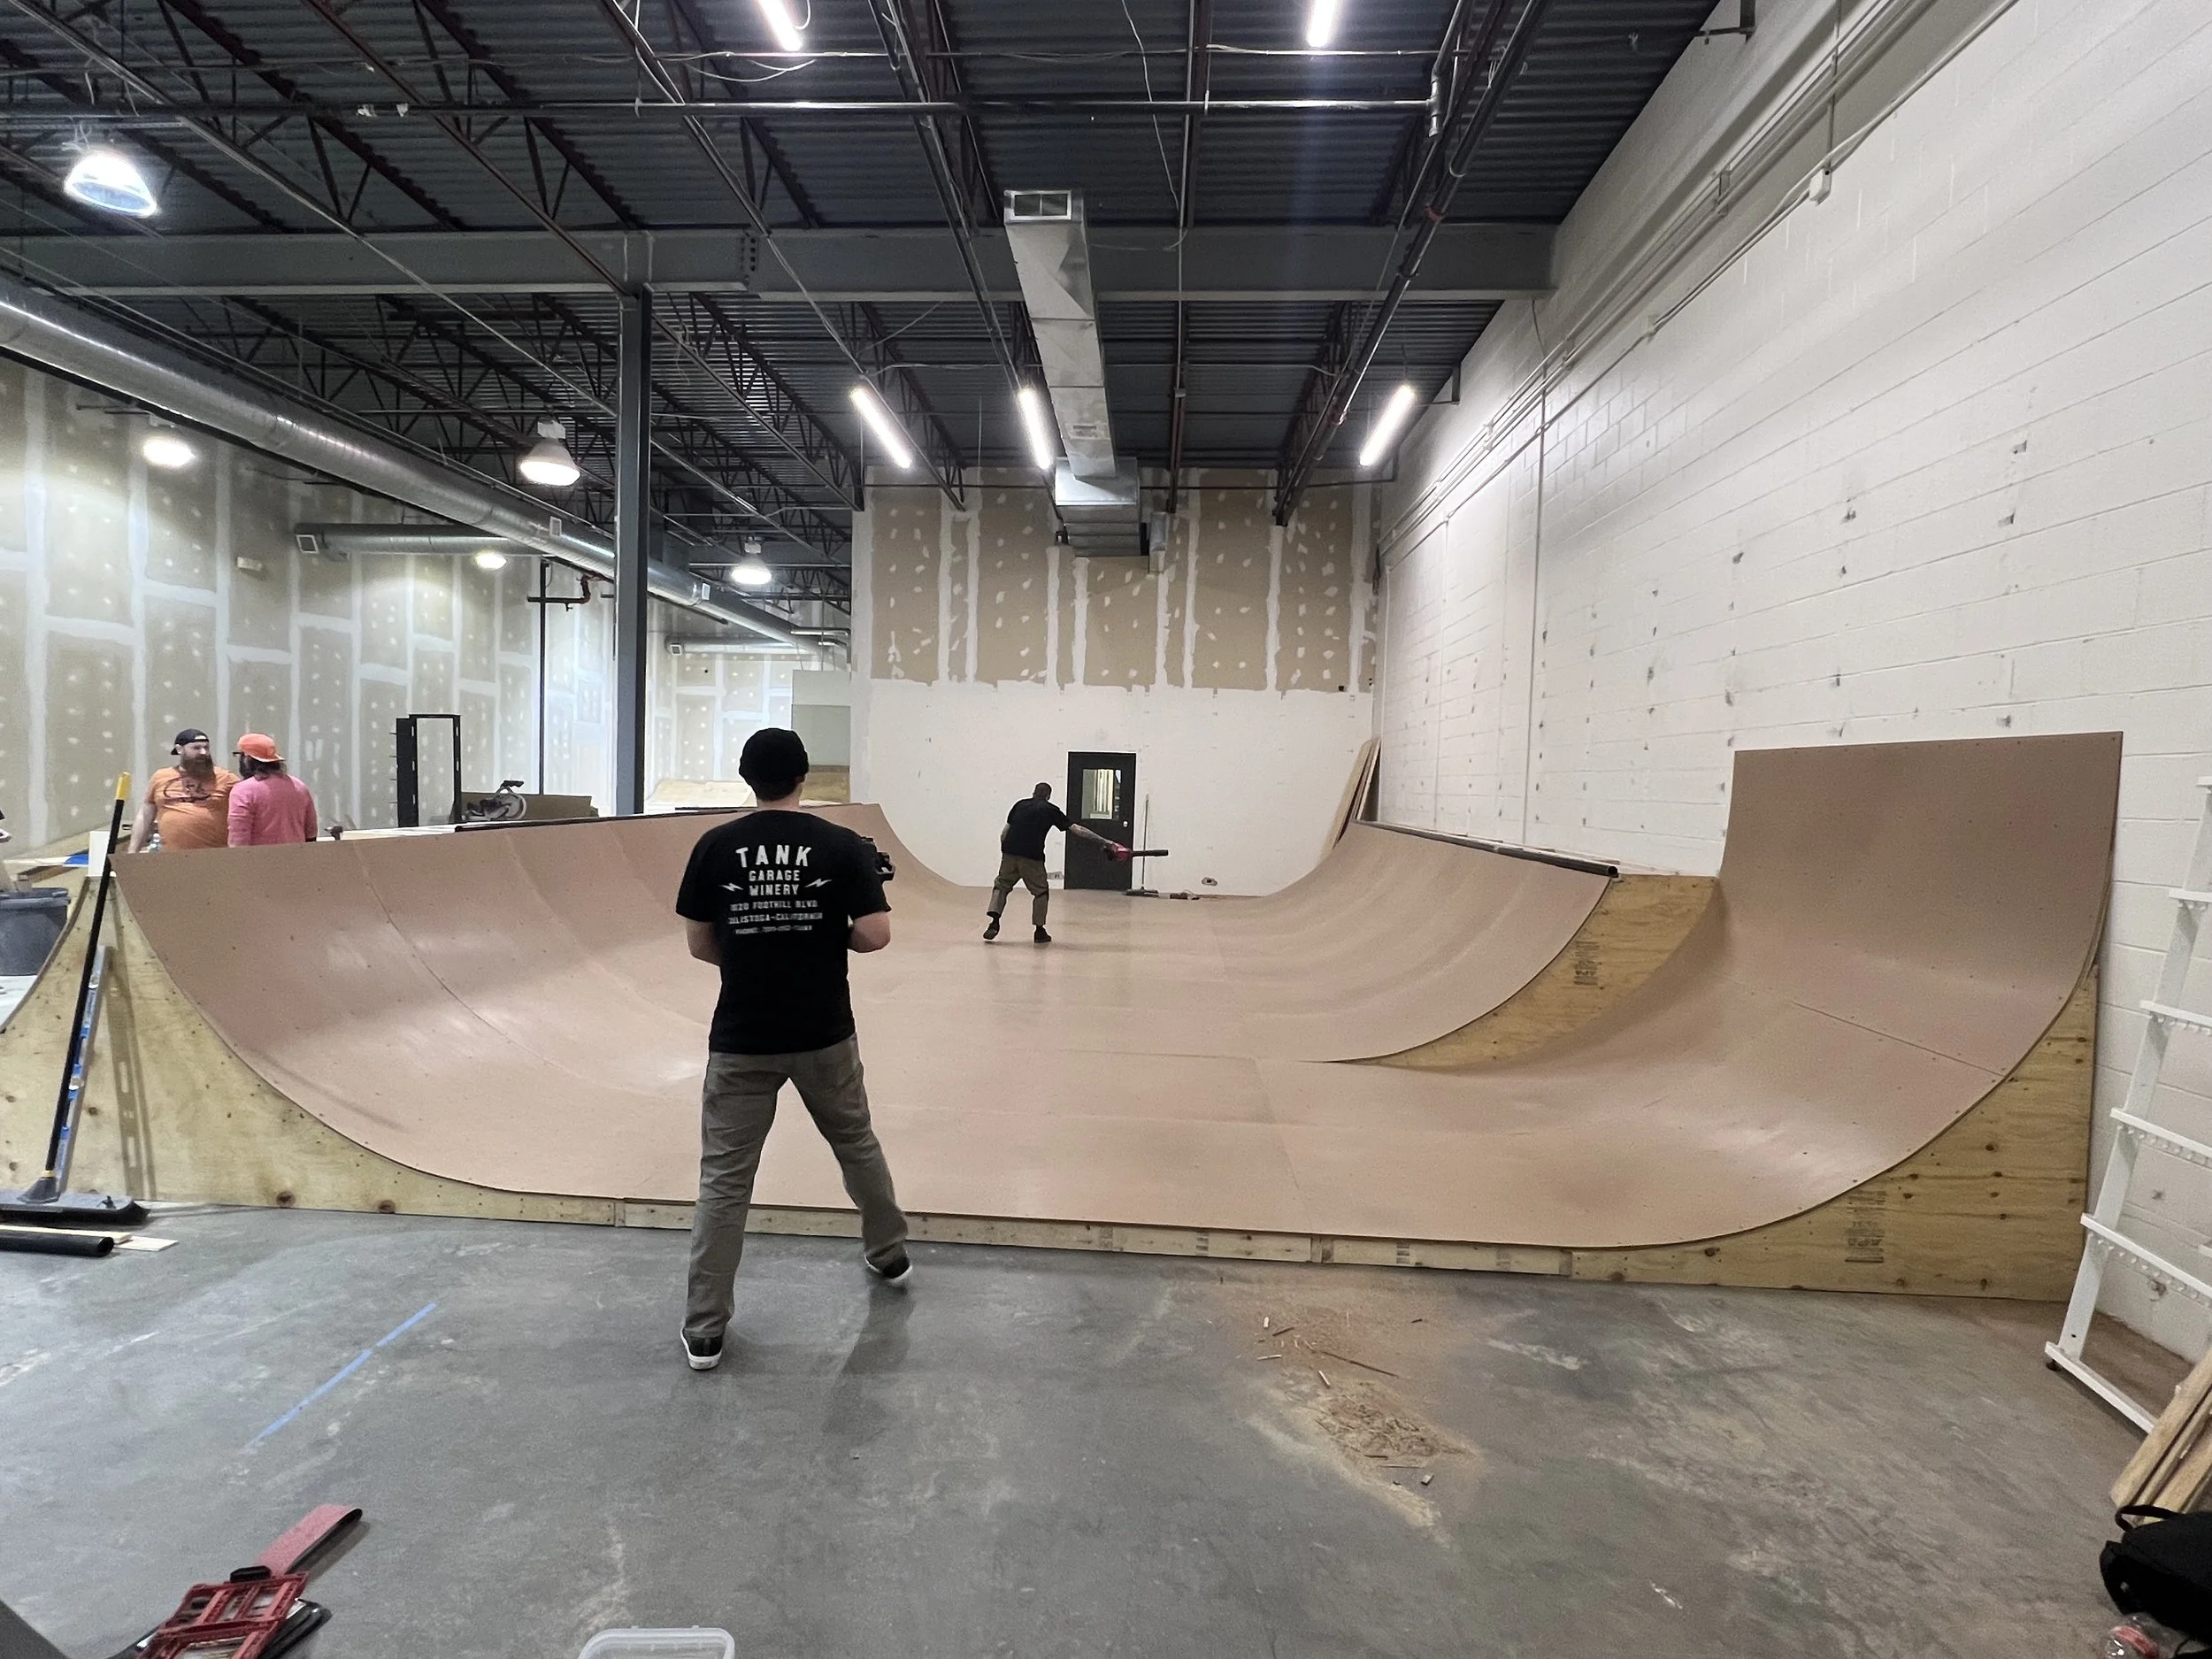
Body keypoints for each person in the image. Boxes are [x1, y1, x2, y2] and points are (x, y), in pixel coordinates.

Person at [673, 726, 910, 1373]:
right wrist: (819, 936)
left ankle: (705, 1329)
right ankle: (888, 1251)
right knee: (855, 1141)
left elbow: (700, 944)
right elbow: (876, 934)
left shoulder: (714, 847)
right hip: (823, 1030)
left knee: (724, 1178)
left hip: (742, 1036)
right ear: (805, 776)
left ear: (747, 778)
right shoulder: (839, 847)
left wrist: (755, 954)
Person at [985, 782, 1125, 945]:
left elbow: (1005, 832)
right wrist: (1105, 841)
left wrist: (1006, 852)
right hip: (1032, 857)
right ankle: (1039, 931)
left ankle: (994, 922)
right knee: (1040, 892)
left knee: (1001, 886)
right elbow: (1077, 829)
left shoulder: (1019, 805)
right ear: (1048, 796)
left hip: (1009, 853)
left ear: (1033, 792)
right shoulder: (1050, 810)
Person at [129, 729, 239, 853]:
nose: (203, 752)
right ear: (179, 749)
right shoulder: (160, 776)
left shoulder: (226, 778)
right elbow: (145, 816)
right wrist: (132, 852)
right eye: (196, 748)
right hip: (172, 858)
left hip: (214, 856)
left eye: (206, 748)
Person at [227, 734, 318, 847]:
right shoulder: (299, 786)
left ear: (247, 758)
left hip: (259, 861)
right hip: (296, 859)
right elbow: (311, 832)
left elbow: (239, 838)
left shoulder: (243, 791)